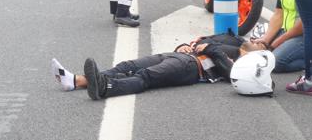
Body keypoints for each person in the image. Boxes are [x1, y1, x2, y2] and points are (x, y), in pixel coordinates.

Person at [51, 33, 268, 100]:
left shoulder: (244, 65)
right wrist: (186, 45)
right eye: (259, 40)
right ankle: (77, 81)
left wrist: (210, 47)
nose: (259, 41)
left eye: (262, 45)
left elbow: (228, 72)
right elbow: (205, 41)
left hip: (192, 68)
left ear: (260, 55)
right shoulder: (236, 43)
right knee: (129, 64)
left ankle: (105, 87)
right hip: (179, 56)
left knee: (146, 76)